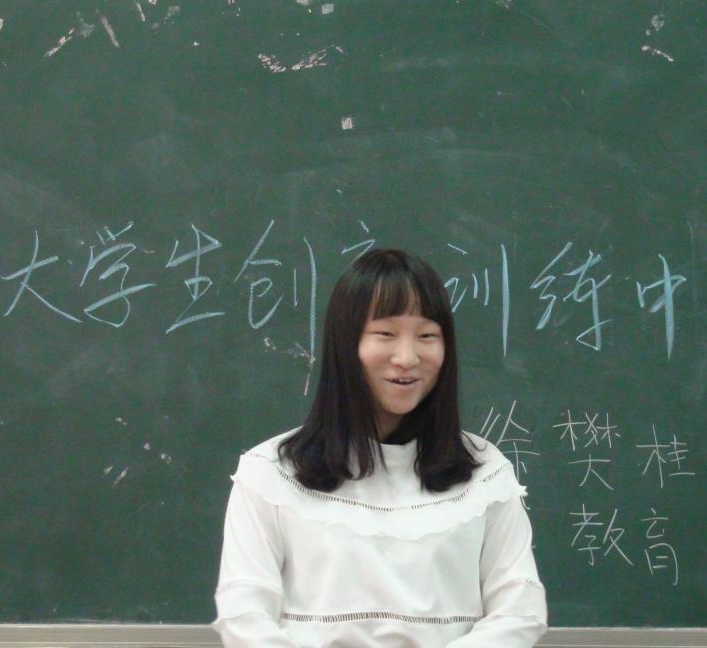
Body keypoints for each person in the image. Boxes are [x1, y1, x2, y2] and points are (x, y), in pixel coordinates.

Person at [214, 249, 547, 647]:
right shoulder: (271, 473)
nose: (407, 358)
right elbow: (245, 614)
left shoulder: (485, 472)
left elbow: (519, 609)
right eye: (385, 334)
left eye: (427, 336)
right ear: (346, 345)